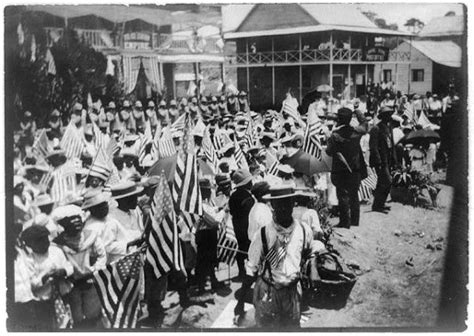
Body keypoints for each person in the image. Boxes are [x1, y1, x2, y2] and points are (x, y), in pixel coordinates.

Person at [241, 187, 314, 328]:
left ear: (293, 203)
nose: (283, 208)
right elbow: (252, 267)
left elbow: (308, 254)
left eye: (287, 203)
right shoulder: (263, 234)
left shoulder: (304, 231)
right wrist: (241, 300)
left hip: (292, 292)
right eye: (279, 204)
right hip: (268, 293)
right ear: (272, 206)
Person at [52, 205, 106, 329]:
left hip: (91, 281)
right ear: (64, 224)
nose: (76, 222)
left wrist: (94, 270)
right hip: (72, 285)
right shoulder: (58, 244)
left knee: (94, 314)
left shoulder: (91, 236)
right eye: (71, 220)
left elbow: (102, 256)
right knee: (77, 318)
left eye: (78, 219)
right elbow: (61, 264)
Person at [20, 225, 74, 330]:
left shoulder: (56, 251)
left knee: (66, 323)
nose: (44, 243)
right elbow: (31, 284)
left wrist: (63, 271)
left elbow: (69, 266)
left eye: (45, 239)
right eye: (39, 241)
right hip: (44, 301)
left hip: (63, 295)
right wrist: (45, 276)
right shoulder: (28, 260)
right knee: (48, 326)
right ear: (30, 244)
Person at [326, 107, 367, 227]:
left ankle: (345, 222)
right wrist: (357, 111)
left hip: (341, 170)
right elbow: (365, 123)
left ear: (339, 119)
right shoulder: (357, 132)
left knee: (342, 195)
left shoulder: (335, 135)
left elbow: (329, 152)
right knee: (354, 195)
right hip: (355, 169)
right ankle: (355, 221)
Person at [369, 106, 398, 213]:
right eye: (388, 115)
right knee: (387, 181)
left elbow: (392, 143)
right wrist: (378, 162)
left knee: (383, 182)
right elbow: (373, 147)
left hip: (388, 158)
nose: (390, 117)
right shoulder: (376, 129)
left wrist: (394, 158)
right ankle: (377, 205)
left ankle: (379, 204)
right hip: (381, 160)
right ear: (383, 117)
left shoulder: (389, 127)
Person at [229, 169, 255, 279]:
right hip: (247, 226)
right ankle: (250, 272)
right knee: (250, 248)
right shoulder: (248, 197)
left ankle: (241, 271)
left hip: (237, 225)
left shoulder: (233, 196)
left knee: (241, 247)